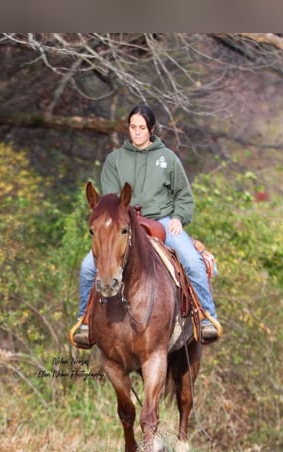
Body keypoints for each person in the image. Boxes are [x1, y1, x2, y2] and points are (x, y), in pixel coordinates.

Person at [72, 104, 221, 347]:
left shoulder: (168, 159)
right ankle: (86, 321)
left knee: (191, 259)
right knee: (88, 266)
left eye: (142, 127)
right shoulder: (115, 160)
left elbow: (184, 195)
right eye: (133, 127)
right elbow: (110, 202)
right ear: (128, 128)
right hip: (125, 222)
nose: (137, 132)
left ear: (151, 129)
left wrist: (178, 217)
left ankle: (205, 316)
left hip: (162, 220)